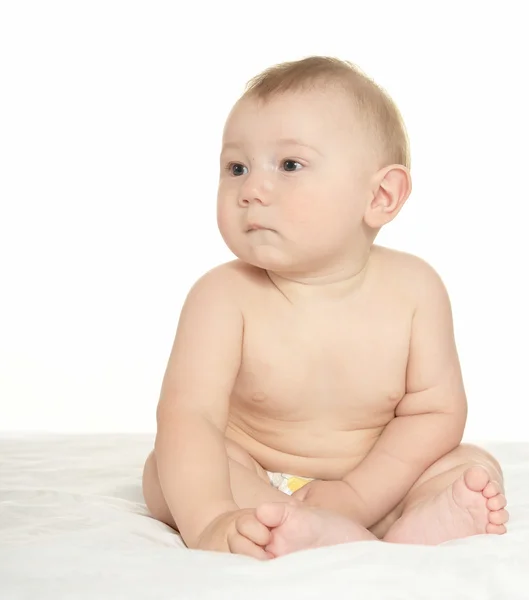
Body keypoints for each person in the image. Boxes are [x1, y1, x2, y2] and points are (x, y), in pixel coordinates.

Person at [142, 56, 509, 560]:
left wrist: (359, 495)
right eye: (236, 167)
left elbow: (435, 411)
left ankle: (413, 519)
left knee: (470, 464)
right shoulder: (222, 297)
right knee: (167, 467)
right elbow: (191, 416)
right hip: (259, 478)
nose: (251, 190)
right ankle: (290, 525)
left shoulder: (415, 290)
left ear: (381, 195)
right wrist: (210, 520)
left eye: (289, 165)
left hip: (380, 481)